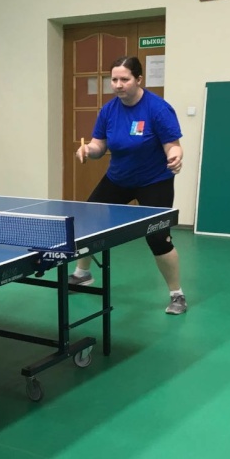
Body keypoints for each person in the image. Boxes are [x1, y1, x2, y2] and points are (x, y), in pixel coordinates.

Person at [74, 56, 187, 315]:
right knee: (87, 219)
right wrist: (87, 150)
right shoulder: (108, 111)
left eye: (124, 79)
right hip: (119, 179)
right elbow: (99, 145)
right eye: (114, 79)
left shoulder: (158, 109)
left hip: (154, 181)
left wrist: (175, 156)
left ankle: (177, 294)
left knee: (157, 238)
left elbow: (173, 146)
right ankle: (82, 274)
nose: (118, 84)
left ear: (138, 79)